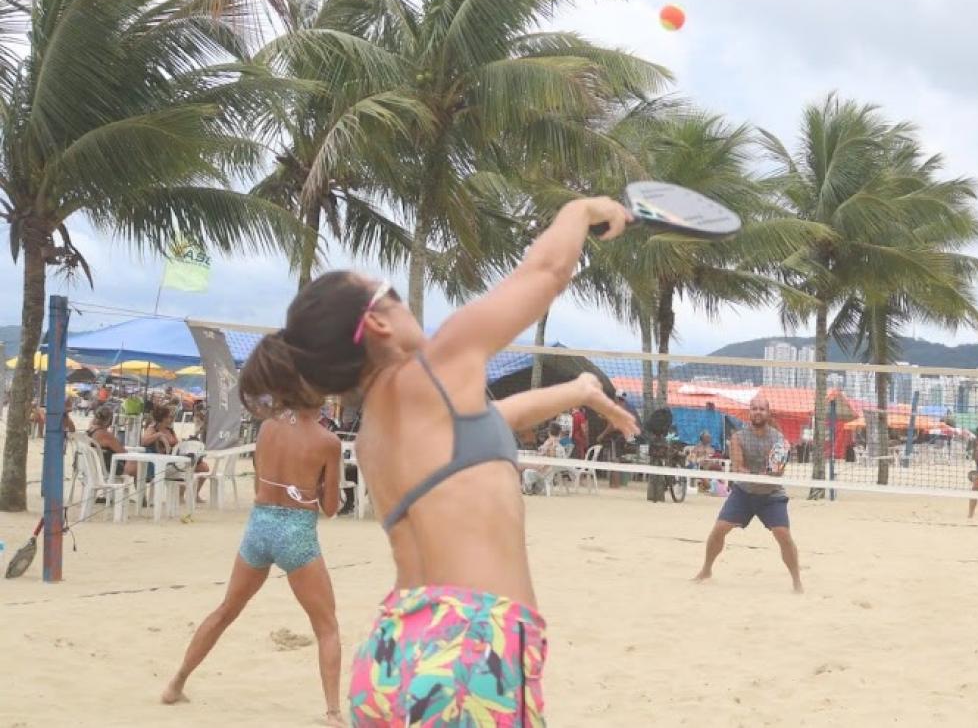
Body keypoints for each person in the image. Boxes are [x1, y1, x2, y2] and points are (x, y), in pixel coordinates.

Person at [223, 197, 638, 725]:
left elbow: (487, 425)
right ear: (376, 322)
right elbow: (548, 270)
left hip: (391, 655)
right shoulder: (441, 364)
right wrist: (584, 209)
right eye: (392, 294)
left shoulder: (376, 434)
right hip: (472, 652)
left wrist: (579, 390)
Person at [162, 393, 346, 724]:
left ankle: (176, 683)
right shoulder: (327, 441)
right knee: (327, 626)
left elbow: (261, 481)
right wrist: (316, 485)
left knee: (225, 610)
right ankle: (332, 712)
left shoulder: (268, 427)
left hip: (259, 525)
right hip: (295, 531)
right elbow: (331, 509)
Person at [693, 394, 802, 593]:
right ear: (749, 412)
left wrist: (766, 474)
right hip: (744, 492)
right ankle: (706, 570)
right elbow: (737, 467)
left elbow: (777, 471)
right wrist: (759, 475)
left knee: (783, 535)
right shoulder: (738, 437)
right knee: (719, 529)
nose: (757, 412)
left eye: (762, 409)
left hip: (771, 494)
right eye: (754, 408)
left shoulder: (778, 439)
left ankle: (797, 581)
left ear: (768, 413)